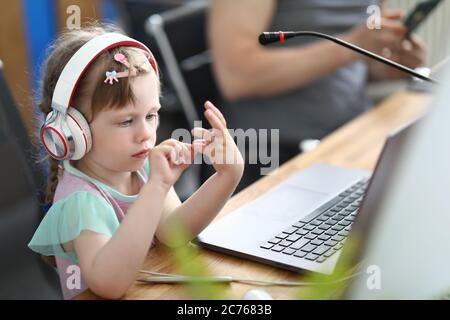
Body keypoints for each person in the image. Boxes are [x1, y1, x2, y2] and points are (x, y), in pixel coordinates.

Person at [28, 24, 244, 300]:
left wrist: (227, 176)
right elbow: (110, 284)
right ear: (73, 131)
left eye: (151, 115)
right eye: (127, 121)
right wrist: (156, 187)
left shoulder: (139, 167)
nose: (146, 133)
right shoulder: (81, 202)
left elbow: (173, 233)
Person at [209, 0, 426, 187]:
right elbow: (236, 76)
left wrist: (387, 67)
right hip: (271, 157)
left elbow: (352, 65)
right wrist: (351, 45)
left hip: (351, 137)